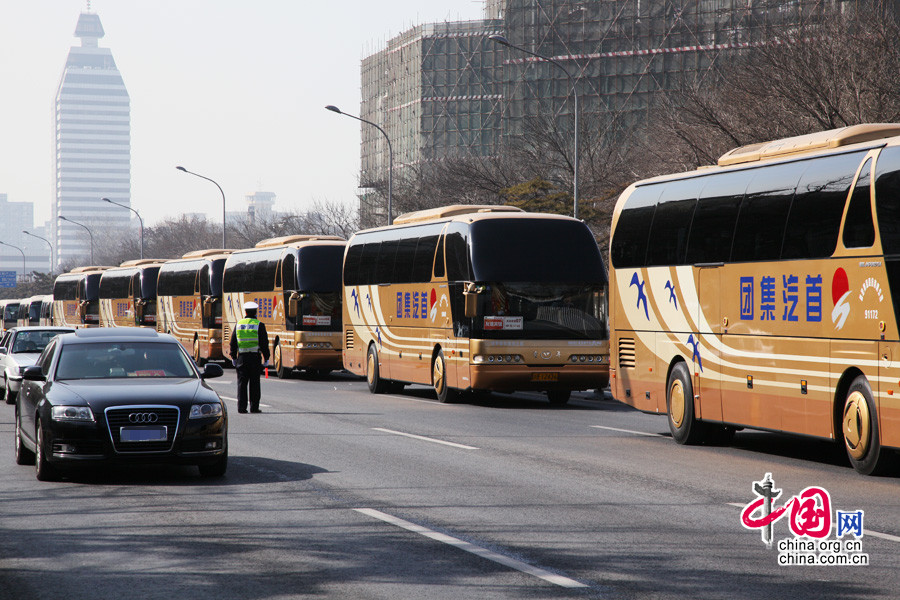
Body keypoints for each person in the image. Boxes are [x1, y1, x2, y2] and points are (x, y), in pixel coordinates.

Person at [229, 301, 270, 413]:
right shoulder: (259, 325)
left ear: (245, 311)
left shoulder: (239, 324)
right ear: (256, 312)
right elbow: (264, 343)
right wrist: (266, 358)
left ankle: (241, 408)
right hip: (255, 358)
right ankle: (254, 407)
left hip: (242, 358)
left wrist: (233, 357)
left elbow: (233, 342)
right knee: (255, 383)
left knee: (242, 384)